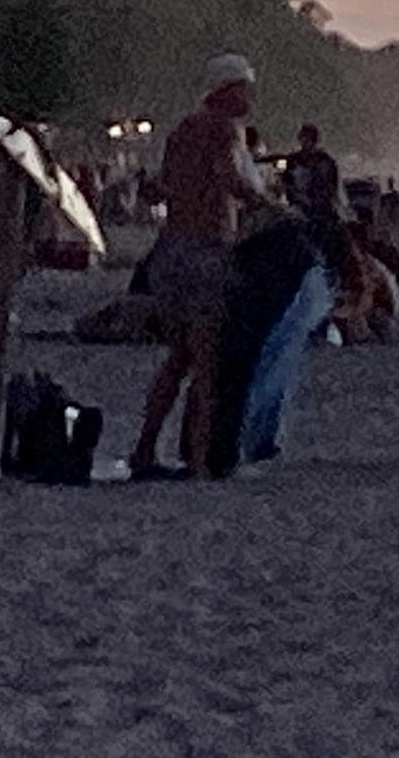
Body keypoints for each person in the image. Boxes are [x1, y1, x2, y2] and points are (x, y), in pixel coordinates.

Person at [127, 54, 274, 479]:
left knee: (178, 358)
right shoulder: (224, 129)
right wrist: (269, 205)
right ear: (227, 90)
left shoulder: (182, 130)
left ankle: (145, 447)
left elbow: (165, 186)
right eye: (244, 89)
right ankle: (199, 459)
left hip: (170, 250)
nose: (249, 98)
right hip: (205, 252)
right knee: (208, 363)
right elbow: (228, 177)